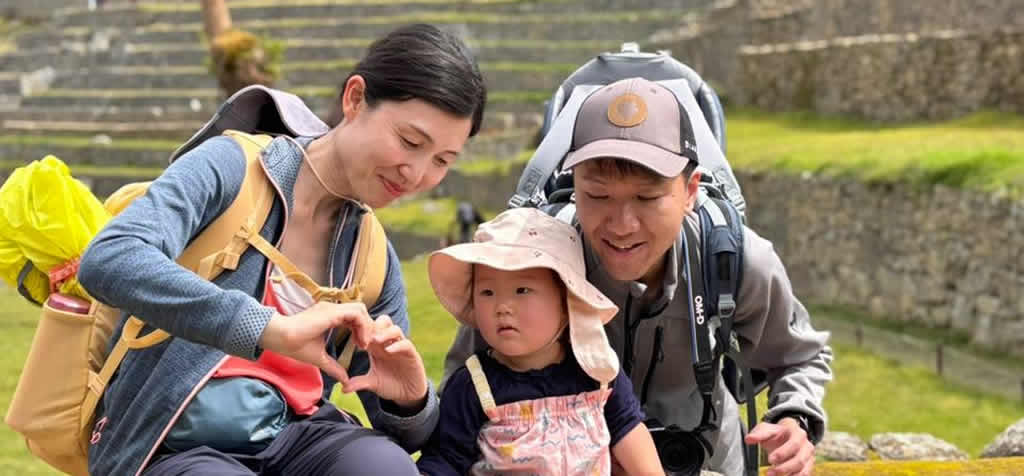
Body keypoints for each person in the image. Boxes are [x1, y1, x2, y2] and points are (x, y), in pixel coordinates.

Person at [77, 24, 487, 476]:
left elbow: (410, 434)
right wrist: (265, 328)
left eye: (442, 161)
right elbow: (111, 256)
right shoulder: (230, 166)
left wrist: (409, 398)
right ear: (354, 99)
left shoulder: (372, 255)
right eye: (410, 142)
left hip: (299, 440)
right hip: (172, 444)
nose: (416, 173)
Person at [442, 78, 832, 476]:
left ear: (690, 190)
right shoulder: (534, 260)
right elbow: (464, 381)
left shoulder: (734, 258)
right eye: (597, 196)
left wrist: (794, 419)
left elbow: (800, 356)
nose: (622, 225)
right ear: (573, 185)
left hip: (707, 462)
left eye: (647, 198)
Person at [417, 207, 665, 476]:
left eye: (522, 290)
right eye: (487, 292)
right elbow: (448, 457)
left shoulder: (597, 371)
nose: (502, 307)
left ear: (566, 301)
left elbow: (627, 428)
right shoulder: (475, 386)